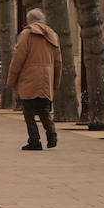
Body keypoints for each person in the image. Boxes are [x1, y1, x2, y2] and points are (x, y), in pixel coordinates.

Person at [6, 8, 62, 151]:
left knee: (29, 111)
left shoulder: (26, 34)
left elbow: (18, 59)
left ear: (28, 20)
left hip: (29, 78)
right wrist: (55, 82)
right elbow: (58, 62)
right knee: (43, 109)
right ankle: (52, 135)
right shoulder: (52, 35)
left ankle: (34, 140)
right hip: (46, 79)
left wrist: (11, 80)